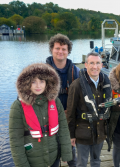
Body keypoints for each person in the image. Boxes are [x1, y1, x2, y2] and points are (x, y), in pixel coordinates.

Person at [9, 63, 72, 167]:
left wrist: (66, 153)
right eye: (33, 82)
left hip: (54, 157)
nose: (38, 86)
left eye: (41, 81)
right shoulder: (17, 107)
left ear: (47, 83)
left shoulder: (55, 102)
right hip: (32, 160)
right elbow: (15, 141)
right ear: (27, 83)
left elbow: (64, 129)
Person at [67, 52, 113, 167]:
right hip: (82, 133)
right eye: (91, 63)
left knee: (96, 161)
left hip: (100, 133)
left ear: (102, 65)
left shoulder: (106, 83)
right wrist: (71, 135)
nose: (95, 66)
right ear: (86, 65)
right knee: (81, 163)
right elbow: (71, 113)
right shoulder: (76, 85)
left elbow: (110, 107)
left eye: (98, 63)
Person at [46, 33, 79, 167]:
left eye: (64, 49)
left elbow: (81, 96)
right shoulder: (43, 70)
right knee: (52, 151)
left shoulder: (75, 71)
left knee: (70, 150)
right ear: (52, 49)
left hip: (68, 117)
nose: (60, 51)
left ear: (68, 51)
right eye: (57, 48)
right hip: (49, 117)